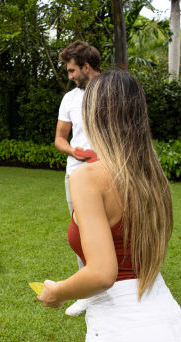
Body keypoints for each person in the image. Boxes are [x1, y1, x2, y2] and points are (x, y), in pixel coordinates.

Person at [38, 70, 181, 342]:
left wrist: (58, 293)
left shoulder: (88, 178)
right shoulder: (150, 171)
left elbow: (101, 273)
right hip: (162, 315)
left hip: (129, 334)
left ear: (94, 115)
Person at [55, 40, 100, 316]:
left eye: (72, 71)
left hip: (110, 174)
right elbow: (60, 139)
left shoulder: (111, 90)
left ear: (86, 66)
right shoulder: (70, 98)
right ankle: (85, 293)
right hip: (76, 175)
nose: (70, 77)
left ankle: (117, 285)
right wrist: (74, 151)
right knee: (81, 233)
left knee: (116, 229)